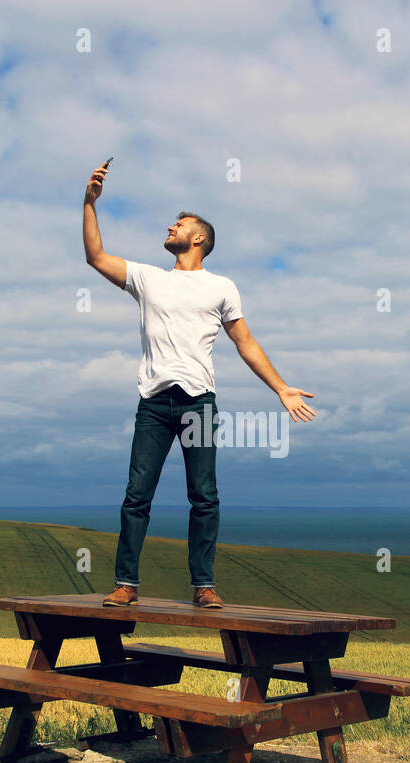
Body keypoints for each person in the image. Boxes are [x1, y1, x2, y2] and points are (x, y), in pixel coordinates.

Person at [82, 159, 315, 608]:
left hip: (199, 405)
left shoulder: (222, 287)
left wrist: (281, 387)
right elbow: (95, 256)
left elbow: (244, 342)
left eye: (180, 223)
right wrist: (89, 204)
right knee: (137, 495)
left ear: (198, 238)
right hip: (153, 403)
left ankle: (203, 586)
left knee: (204, 497)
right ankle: (126, 584)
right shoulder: (148, 278)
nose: (170, 226)